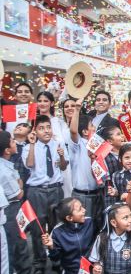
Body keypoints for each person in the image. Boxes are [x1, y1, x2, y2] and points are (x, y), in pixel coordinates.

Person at [22, 115, 68, 274]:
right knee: (38, 229)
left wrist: (62, 155)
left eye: (48, 127)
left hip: (55, 189)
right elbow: (29, 164)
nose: (46, 131)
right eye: (41, 128)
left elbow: (63, 167)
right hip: (37, 191)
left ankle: (56, 260)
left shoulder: (58, 144)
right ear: (35, 131)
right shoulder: (29, 147)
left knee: (57, 226)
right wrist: (33, 144)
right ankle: (39, 263)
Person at [0, 130, 31, 274]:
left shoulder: (6, 164)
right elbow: (18, 194)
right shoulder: (4, 171)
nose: (15, 143)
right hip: (10, 211)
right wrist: (20, 184)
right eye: (12, 141)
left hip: (12, 209)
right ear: (7, 150)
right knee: (18, 245)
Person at [89, 203, 131, 274]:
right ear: (114, 223)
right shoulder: (102, 238)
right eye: (125, 218)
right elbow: (97, 263)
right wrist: (97, 268)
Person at [68, 98, 102, 222]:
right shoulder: (78, 144)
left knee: (95, 227)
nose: (95, 127)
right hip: (82, 195)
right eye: (92, 125)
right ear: (85, 131)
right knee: (82, 226)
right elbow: (73, 131)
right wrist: (77, 109)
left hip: (98, 194)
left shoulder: (98, 144)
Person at [41, 198, 94, 274]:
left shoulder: (89, 222)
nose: (84, 210)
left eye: (82, 207)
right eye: (80, 209)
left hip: (91, 269)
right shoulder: (57, 232)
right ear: (69, 218)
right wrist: (51, 247)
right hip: (70, 271)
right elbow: (55, 258)